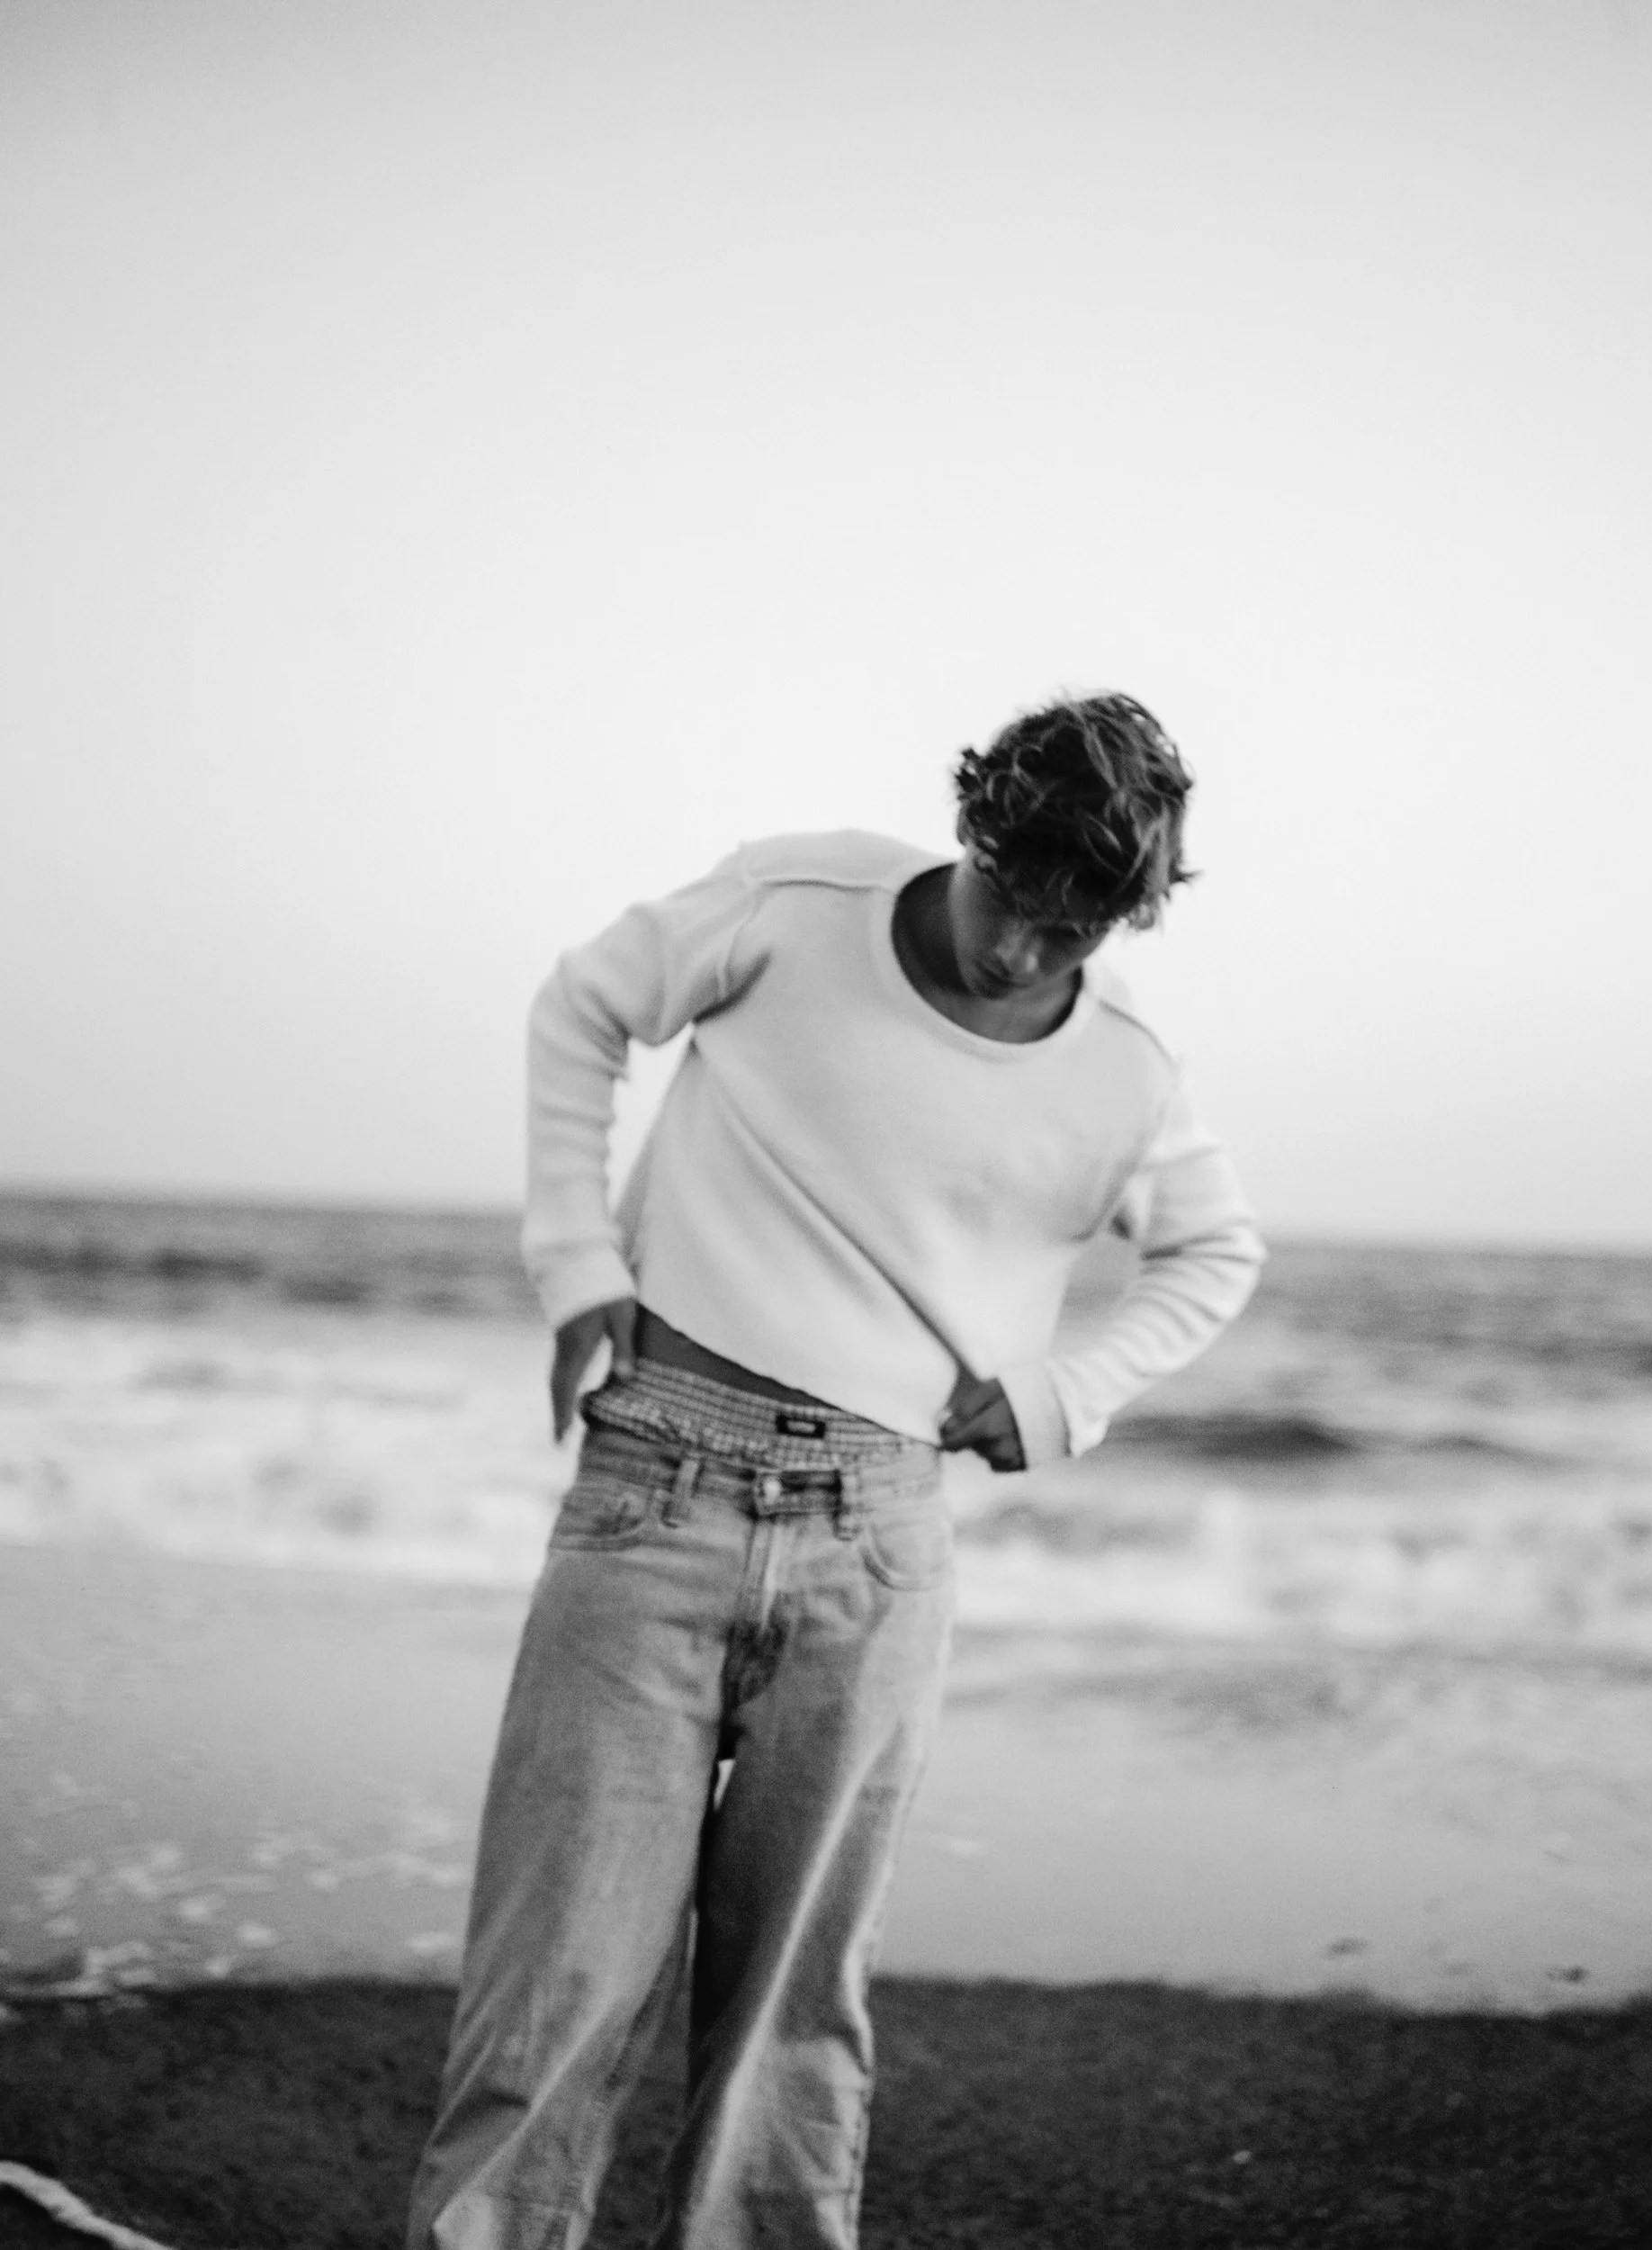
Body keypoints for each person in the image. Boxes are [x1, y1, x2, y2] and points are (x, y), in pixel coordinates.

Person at [406, 692, 1265, 2250]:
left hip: (880, 1542)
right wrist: (573, 1257)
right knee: (556, 1989)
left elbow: (1219, 1252)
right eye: (1014, 900)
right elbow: (582, 1004)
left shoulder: (1125, 1071)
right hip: (655, 1485)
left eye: (1073, 932)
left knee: (796, 2016)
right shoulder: (798, 908)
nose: (1021, 955)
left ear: (1123, 916)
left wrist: (1067, 1392)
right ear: (975, 829)